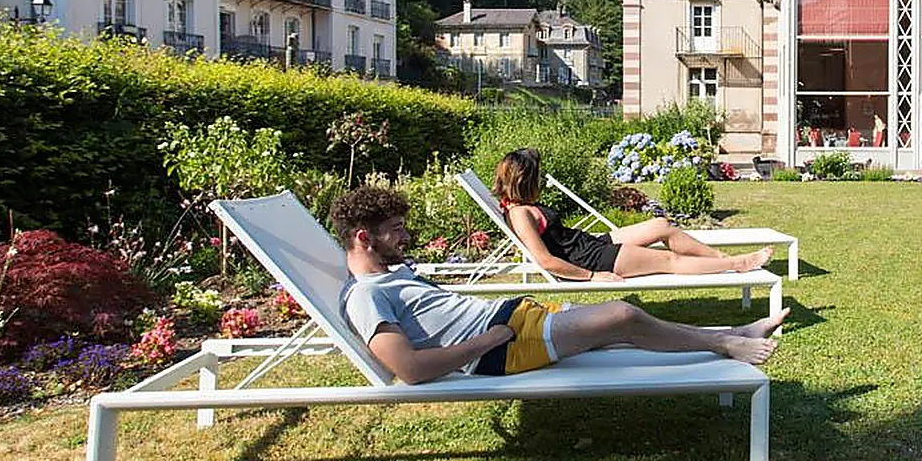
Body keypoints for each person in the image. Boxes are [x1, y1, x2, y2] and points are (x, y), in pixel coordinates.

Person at [333, 186, 786, 384]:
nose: (406, 237)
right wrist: (492, 338)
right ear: (364, 238)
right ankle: (728, 345)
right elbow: (410, 368)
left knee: (617, 334)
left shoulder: (389, 275)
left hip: (513, 322)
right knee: (622, 315)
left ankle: (732, 333)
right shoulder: (367, 297)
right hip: (502, 344)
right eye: (396, 230)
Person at [495, 148, 772, 281]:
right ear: (526, 181)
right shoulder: (520, 215)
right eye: (537, 176)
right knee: (669, 260)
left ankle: (719, 258)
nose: (540, 181)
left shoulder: (515, 205)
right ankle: (737, 264)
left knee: (662, 225)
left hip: (589, 245)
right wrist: (591, 276)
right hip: (590, 259)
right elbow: (546, 261)